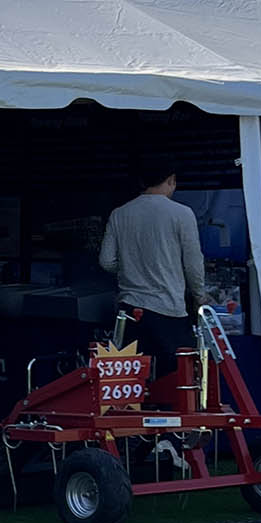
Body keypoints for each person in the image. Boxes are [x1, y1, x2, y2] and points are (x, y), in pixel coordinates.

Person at [98, 160, 206, 374]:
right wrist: (199, 295)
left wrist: (130, 268)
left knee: (132, 379)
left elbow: (106, 261)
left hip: (130, 311)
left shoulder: (119, 213)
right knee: (175, 378)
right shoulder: (182, 213)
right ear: (171, 180)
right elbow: (193, 264)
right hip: (169, 310)